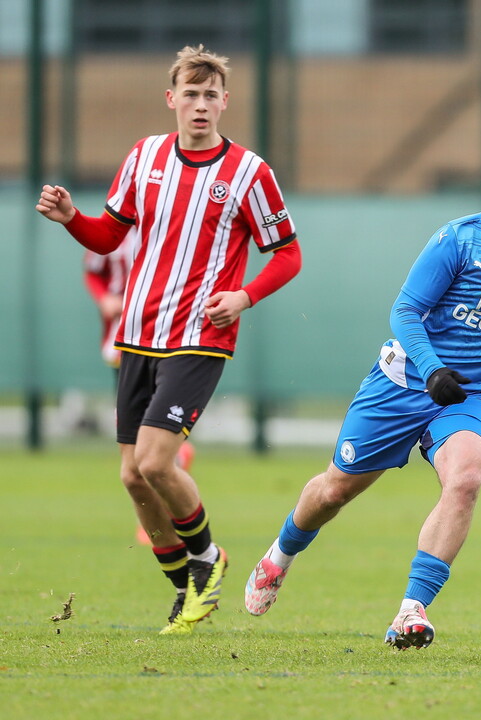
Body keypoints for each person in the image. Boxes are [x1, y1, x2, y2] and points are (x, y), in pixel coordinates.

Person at [244, 142, 481, 649]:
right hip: (402, 383)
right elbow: (405, 312)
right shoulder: (457, 242)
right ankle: (280, 555)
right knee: (335, 491)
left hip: (473, 396)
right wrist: (431, 370)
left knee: (466, 480)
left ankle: (411, 611)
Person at [36, 45, 302, 633]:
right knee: (132, 476)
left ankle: (208, 559)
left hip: (201, 336)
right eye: (191, 93)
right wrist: (71, 219)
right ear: (172, 99)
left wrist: (244, 296)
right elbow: (108, 237)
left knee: (157, 462)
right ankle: (187, 590)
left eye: (211, 95)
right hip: (138, 332)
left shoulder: (249, 173)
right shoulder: (145, 156)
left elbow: (288, 254)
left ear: (225, 102)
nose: (201, 105)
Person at [83, 232, 195, 546]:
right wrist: (104, 297)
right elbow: (92, 271)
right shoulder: (112, 228)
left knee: (145, 453)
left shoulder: (174, 222)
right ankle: (172, 464)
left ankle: (161, 524)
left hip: (167, 342)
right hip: (122, 344)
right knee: (133, 454)